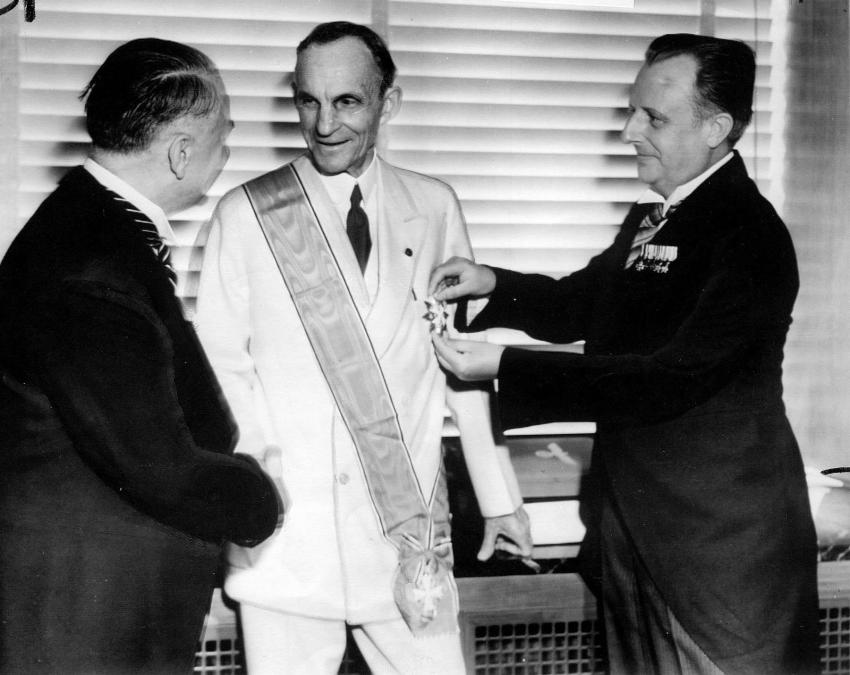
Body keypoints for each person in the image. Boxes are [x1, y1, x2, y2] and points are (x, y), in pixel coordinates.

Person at [429, 33, 820, 675]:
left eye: (654, 118)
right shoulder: (653, 218)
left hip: (718, 546)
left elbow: (669, 380)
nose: (631, 131)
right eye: (632, 111)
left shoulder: (751, 235)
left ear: (717, 128)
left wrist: (501, 365)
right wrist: (492, 282)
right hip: (633, 527)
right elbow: (581, 304)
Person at [194, 20, 532, 675]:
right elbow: (219, 369)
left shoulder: (433, 206)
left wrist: (498, 497)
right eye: (307, 100)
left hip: (405, 537)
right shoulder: (246, 212)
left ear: (388, 102)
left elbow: (461, 362)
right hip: (289, 538)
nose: (322, 124)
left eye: (346, 101)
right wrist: (259, 483)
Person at [0, 38, 282, 675]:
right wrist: (260, 495)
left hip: (97, 599)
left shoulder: (89, 227)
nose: (227, 153)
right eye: (225, 136)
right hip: (83, 618)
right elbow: (155, 465)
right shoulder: (93, 268)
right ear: (183, 151)